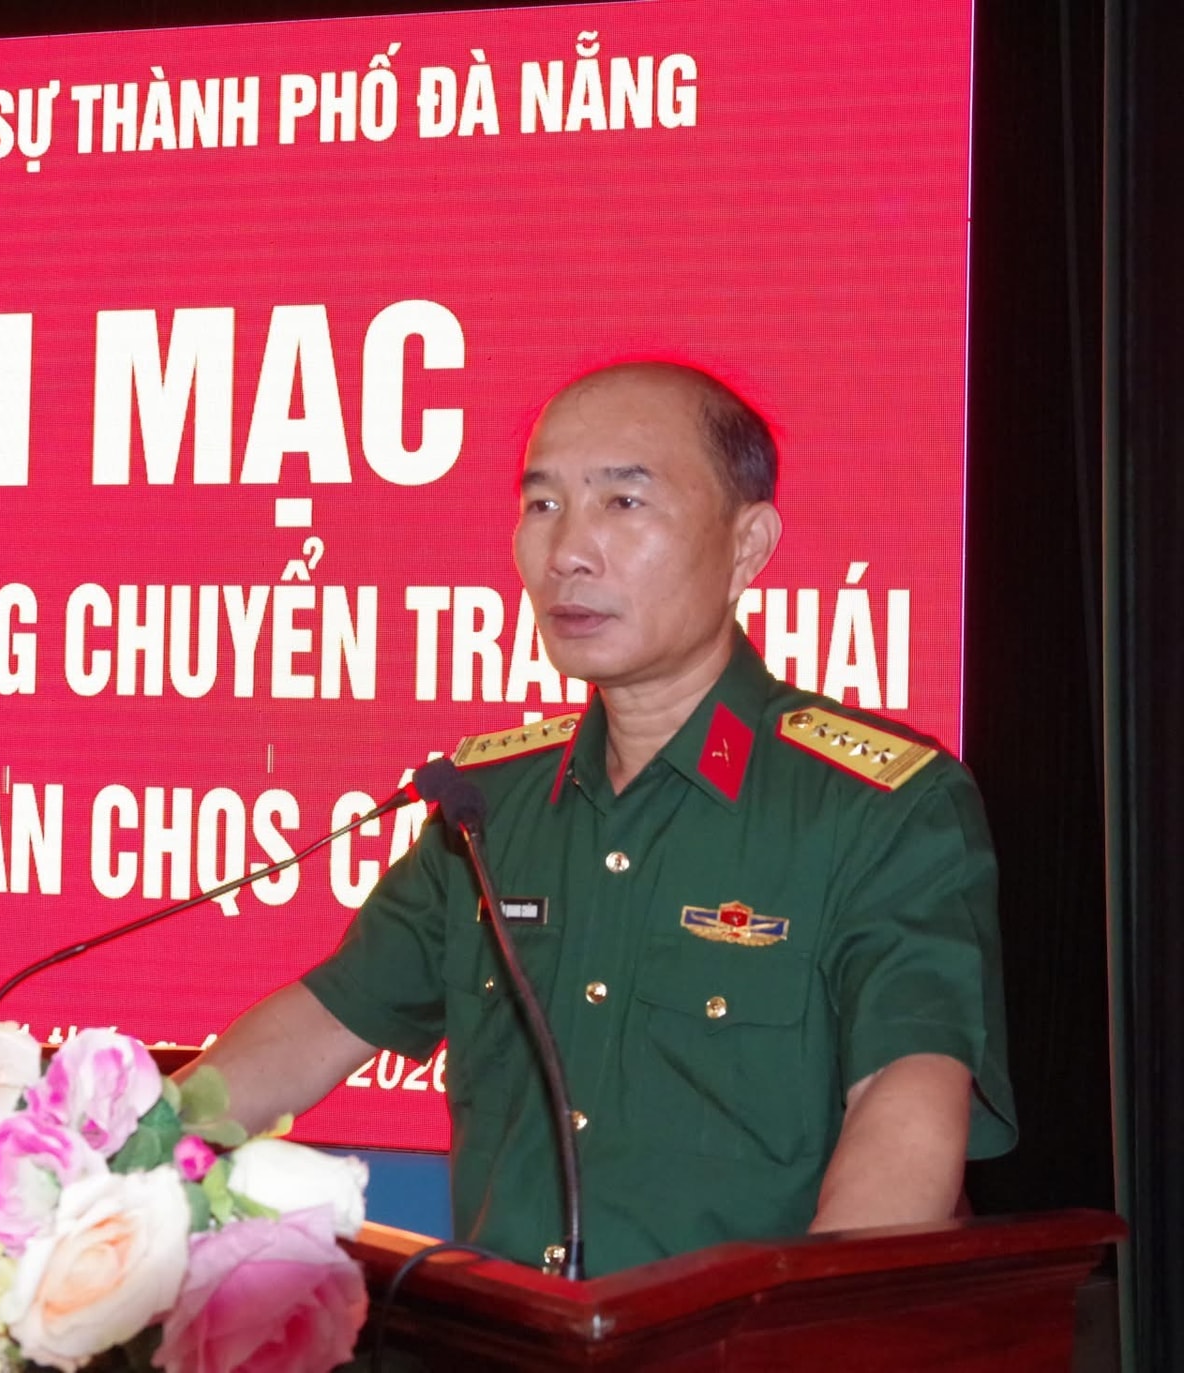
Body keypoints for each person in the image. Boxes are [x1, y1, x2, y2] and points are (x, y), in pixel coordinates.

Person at [183, 361, 1015, 1277]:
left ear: (748, 545)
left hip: (732, 1341)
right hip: (502, 1334)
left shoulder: (878, 809)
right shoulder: (489, 805)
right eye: (543, 505)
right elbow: (317, 1026)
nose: (568, 551)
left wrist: (803, 1336)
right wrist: (108, 1180)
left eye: (624, 502)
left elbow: (907, 1104)